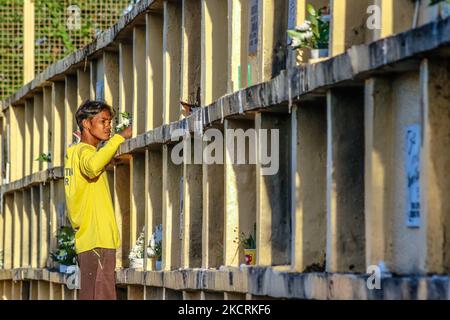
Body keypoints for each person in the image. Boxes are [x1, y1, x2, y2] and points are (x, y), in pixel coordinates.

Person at [64, 100, 132, 300]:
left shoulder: (74, 154)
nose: (108, 126)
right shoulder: (85, 152)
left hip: (89, 241)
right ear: (86, 123)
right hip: (97, 240)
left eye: (110, 122)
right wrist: (119, 138)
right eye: (103, 121)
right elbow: (93, 166)